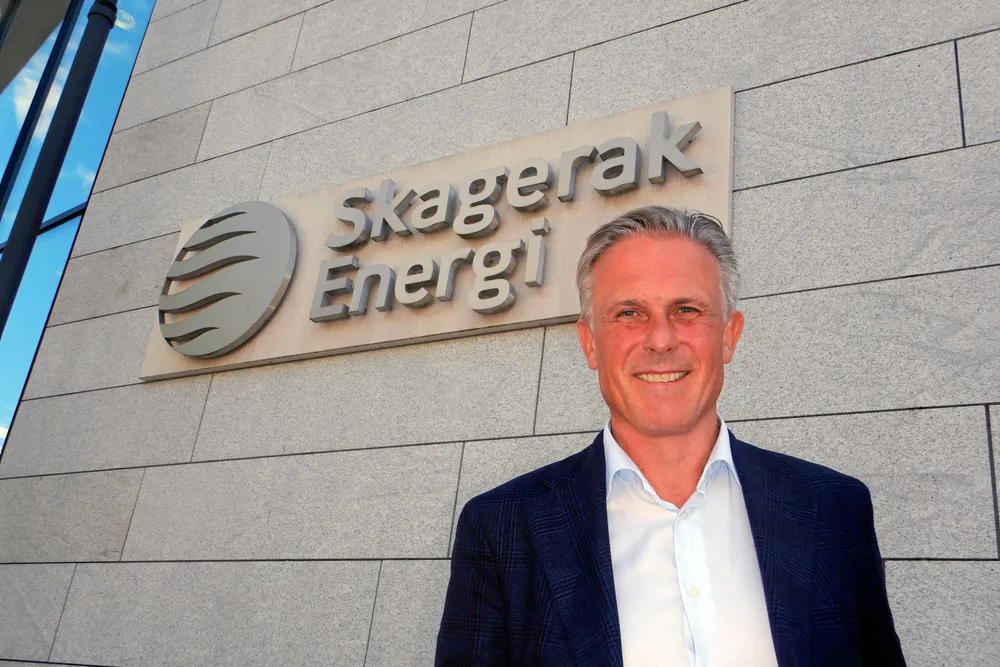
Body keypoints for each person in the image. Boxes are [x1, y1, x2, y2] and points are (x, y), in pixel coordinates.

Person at [435, 206, 906, 666]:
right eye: (629, 313)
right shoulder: (501, 528)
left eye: (686, 309)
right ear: (590, 343)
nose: (660, 340)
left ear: (729, 336)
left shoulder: (834, 509)